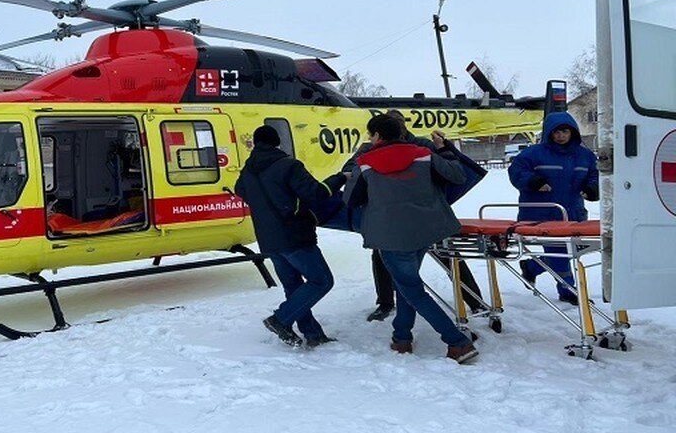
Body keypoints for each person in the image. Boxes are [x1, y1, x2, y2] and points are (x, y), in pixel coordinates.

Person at [346, 113, 478, 363]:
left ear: (377, 136)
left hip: (391, 235)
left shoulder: (365, 163)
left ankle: (457, 342)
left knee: (412, 289)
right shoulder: (424, 154)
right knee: (406, 284)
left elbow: (351, 199)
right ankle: (402, 336)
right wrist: (445, 150)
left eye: (371, 134)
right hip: (426, 230)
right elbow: (458, 175)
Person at [235, 125, 348, 348]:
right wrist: (340, 178)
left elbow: (240, 190)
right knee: (322, 281)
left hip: (268, 239)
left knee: (293, 286)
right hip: (295, 235)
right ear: (277, 142)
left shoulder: (248, 170)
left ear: (255, 144)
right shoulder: (289, 166)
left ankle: (312, 334)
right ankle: (280, 319)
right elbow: (316, 193)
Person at [508, 111, 599, 306]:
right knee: (559, 251)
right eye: (556, 132)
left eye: (565, 131)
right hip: (541, 213)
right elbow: (516, 171)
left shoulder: (585, 156)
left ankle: (532, 267)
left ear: (572, 132)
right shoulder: (533, 153)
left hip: (573, 212)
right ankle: (568, 289)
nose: (560, 136)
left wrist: (592, 189)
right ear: (548, 133)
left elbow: (595, 175)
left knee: (569, 250)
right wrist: (534, 181)